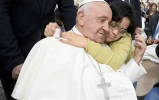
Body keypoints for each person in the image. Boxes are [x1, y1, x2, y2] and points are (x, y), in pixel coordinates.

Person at [12, 0, 146, 100]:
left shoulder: (109, 46)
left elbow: (119, 84)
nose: (107, 29)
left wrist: (136, 58)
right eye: (102, 20)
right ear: (81, 18)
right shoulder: (52, 46)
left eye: (109, 22)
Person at [0, 0, 76, 100]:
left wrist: (78, 41)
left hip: (47, 50)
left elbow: (67, 8)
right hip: (14, 49)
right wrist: (14, 60)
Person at [45, 1, 136, 70]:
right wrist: (56, 32)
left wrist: (86, 43)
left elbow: (116, 62)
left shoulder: (125, 37)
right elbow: (74, 36)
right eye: (113, 25)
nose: (116, 32)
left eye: (122, 30)